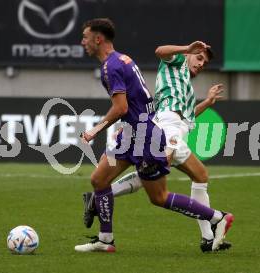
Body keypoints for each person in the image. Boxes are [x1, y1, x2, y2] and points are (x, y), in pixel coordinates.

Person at [75, 18, 233, 253]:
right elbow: (161, 51)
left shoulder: (116, 66)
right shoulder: (170, 63)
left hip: (149, 131)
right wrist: (187, 48)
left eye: (85, 37)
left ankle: (215, 221)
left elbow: (125, 108)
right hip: (154, 128)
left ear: (98, 39)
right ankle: (105, 238)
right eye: (199, 57)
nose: (201, 63)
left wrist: (94, 130)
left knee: (166, 190)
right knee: (101, 179)